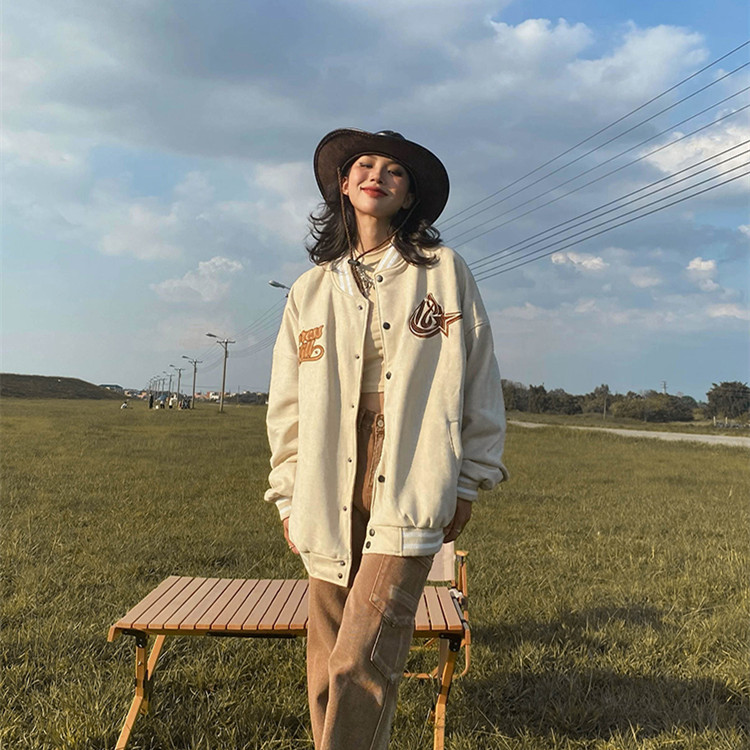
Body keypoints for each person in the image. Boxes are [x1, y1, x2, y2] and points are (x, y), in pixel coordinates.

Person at [264, 128, 508, 749]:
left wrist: (469, 479)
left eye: (394, 171)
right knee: (326, 660)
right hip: (325, 474)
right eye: (365, 166)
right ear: (343, 185)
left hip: (412, 466)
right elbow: (287, 405)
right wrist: (289, 495)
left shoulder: (443, 272)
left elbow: (478, 377)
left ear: (409, 196)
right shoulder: (310, 289)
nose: (377, 175)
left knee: (362, 657)